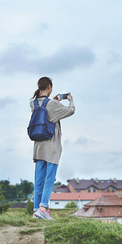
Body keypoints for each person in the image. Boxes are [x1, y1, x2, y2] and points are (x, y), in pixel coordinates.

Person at [30, 77, 75, 220]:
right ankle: (43, 208)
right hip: (52, 147)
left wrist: (54, 101)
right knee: (49, 178)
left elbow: (45, 108)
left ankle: (36, 209)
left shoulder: (32, 103)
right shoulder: (53, 104)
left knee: (39, 179)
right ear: (49, 87)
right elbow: (70, 111)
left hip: (38, 146)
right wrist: (70, 100)